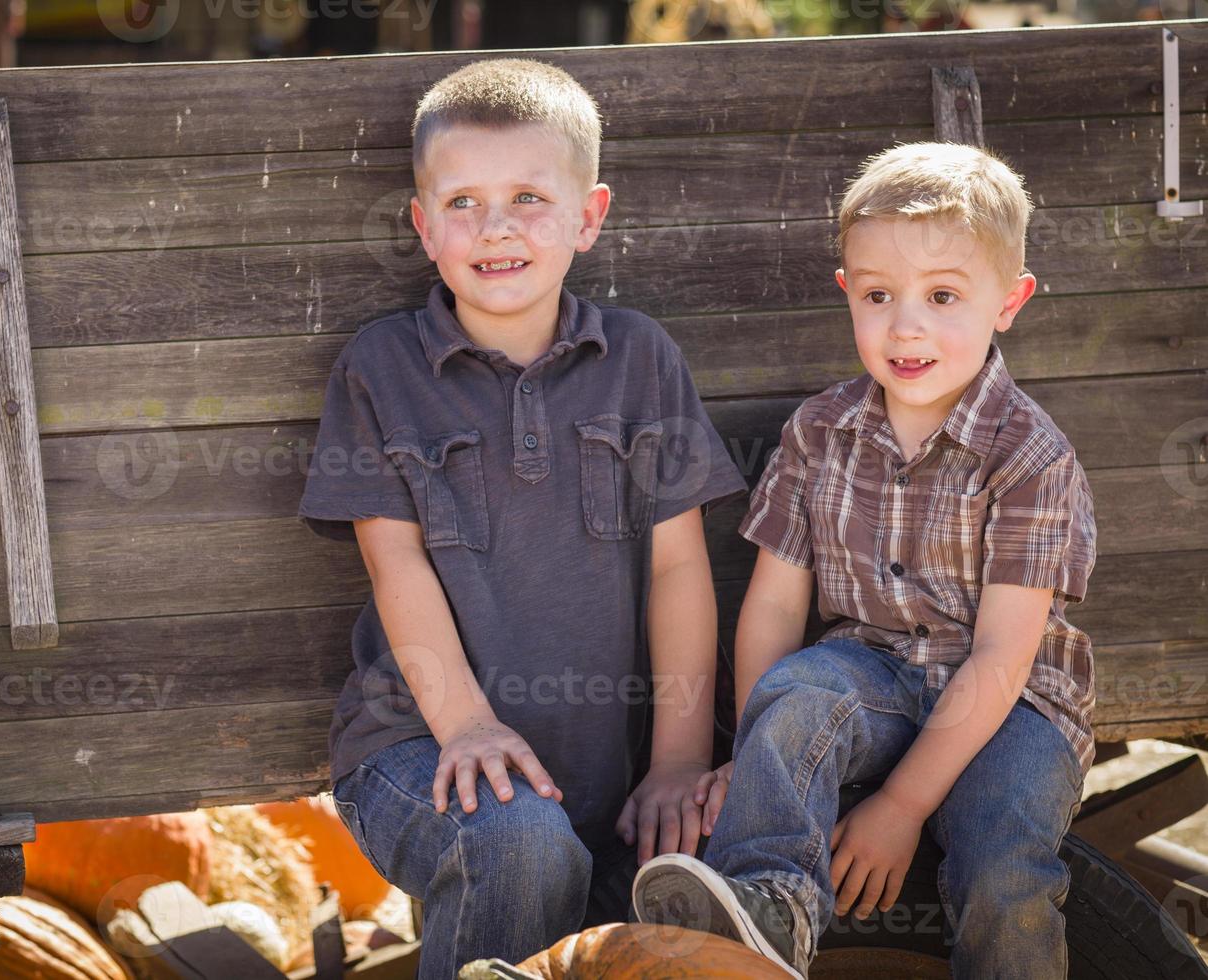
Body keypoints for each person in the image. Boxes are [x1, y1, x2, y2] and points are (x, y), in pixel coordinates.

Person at [296, 57, 749, 977]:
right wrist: (465, 726)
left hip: (611, 763)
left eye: (529, 198)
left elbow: (677, 570)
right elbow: (398, 568)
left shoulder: (639, 360)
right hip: (417, 746)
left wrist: (674, 760)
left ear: (589, 216)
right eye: (461, 202)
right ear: (424, 227)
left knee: (722, 857)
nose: (494, 228)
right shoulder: (383, 368)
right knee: (521, 845)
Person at [631, 142, 1097, 980]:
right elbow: (775, 605)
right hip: (871, 675)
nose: (906, 325)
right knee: (799, 690)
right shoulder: (820, 432)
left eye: (943, 296)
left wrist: (903, 805)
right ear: (847, 290)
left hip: (1014, 702)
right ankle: (768, 916)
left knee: (1004, 856)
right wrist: (758, 751)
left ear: (1009, 301)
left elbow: (1000, 655)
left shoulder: (1031, 456)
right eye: (879, 295)